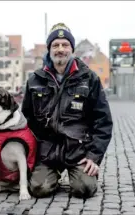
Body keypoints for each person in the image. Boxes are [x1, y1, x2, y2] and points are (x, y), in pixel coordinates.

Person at [21, 23, 113, 199]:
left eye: (65, 45)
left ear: (72, 49)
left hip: (78, 151)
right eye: (55, 45)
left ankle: (79, 174)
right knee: (39, 189)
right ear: (49, 49)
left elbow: (103, 120)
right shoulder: (35, 80)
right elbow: (26, 120)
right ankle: (51, 173)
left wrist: (93, 156)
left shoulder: (89, 78)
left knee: (84, 189)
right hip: (47, 152)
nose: (60, 49)